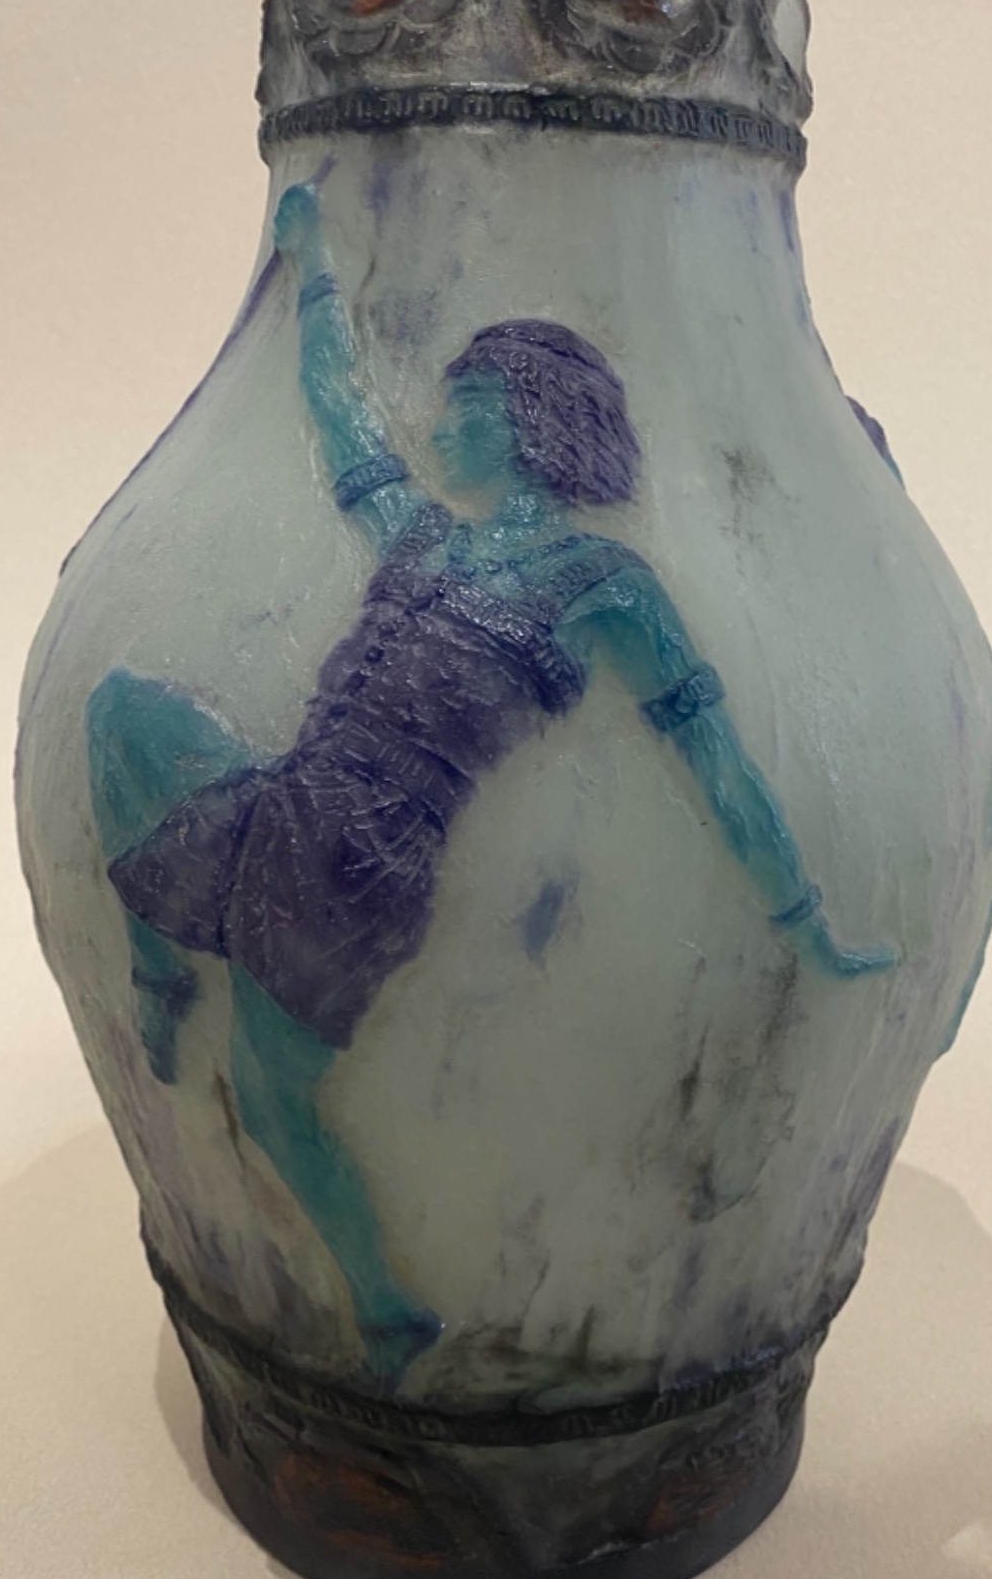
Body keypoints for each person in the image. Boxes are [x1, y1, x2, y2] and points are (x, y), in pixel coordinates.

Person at [88, 180, 897, 1390]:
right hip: (293, 798)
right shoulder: (427, 536)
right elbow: (338, 410)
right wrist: (314, 270)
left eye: (464, 403)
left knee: (272, 1094)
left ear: (524, 421)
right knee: (123, 721)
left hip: (361, 861)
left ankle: (389, 1314)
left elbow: (718, 765)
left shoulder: (605, 586)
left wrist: (805, 919)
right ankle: (161, 970)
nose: (440, 423)